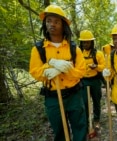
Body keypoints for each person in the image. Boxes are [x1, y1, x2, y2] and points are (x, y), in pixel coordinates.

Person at [29, 5, 87, 140]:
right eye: (48, 21)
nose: (52, 24)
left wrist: (67, 70)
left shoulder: (74, 48)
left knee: (80, 127)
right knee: (59, 131)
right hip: (52, 97)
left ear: (64, 25)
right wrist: (48, 69)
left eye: (56, 21)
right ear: (45, 24)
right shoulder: (38, 49)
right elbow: (34, 71)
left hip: (74, 95)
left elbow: (81, 71)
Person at [79, 30, 105, 129]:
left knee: (96, 101)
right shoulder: (78, 53)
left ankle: (97, 120)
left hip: (95, 80)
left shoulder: (98, 53)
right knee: (84, 102)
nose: (85, 44)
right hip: (83, 81)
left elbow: (103, 66)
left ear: (91, 42)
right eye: (83, 42)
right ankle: (86, 121)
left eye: (88, 42)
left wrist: (96, 67)